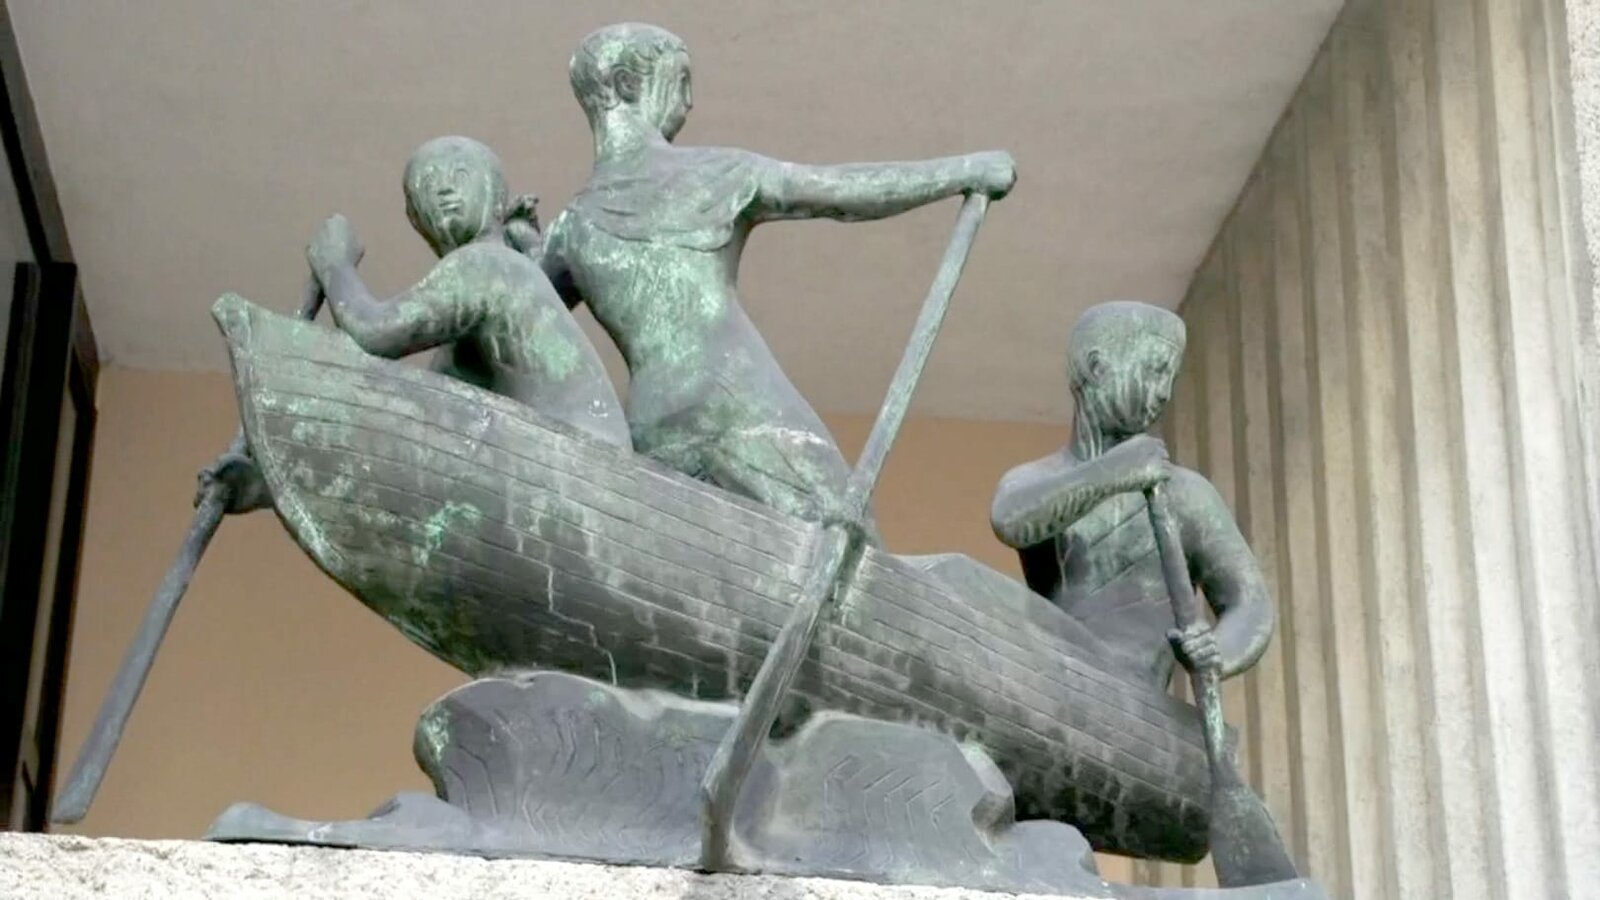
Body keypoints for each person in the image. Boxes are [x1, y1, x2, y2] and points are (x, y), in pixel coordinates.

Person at [538, 22, 1016, 531]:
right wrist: (965, 171)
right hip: (737, 401)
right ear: (628, 84)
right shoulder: (716, 173)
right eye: (679, 82)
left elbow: (518, 328)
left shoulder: (569, 229)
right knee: (851, 544)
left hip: (652, 427)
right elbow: (839, 192)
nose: (689, 102)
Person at [989, 301, 1274, 690]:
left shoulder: (1186, 493)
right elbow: (1010, 520)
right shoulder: (1037, 479)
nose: (1164, 392)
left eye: (1170, 377)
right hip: (1060, 683)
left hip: (1141, 699)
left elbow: (1250, 602)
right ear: (1097, 368)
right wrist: (1113, 473)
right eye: (1155, 370)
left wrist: (1218, 652)